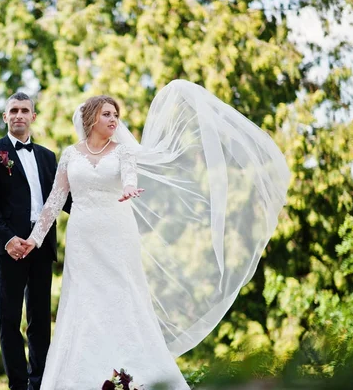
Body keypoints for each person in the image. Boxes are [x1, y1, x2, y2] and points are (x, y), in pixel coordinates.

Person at [20, 80, 290, 389]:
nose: (113, 121)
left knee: (124, 298)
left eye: (116, 116)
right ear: (92, 117)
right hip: (83, 238)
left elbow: (129, 179)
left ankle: (133, 376)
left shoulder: (123, 153)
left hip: (117, 233)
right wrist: (34, 238)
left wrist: (130, 188)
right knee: (82, 301)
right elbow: (55, 200)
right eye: (107, 114)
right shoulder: (70, 155)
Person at [0, 92, 71, 390]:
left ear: (34, 116)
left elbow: (61, 200)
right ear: (5, 117)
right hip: (11, 249)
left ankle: (40, 383)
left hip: (42, 246)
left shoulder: (47, 156)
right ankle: (18, 385)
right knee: (9, 321)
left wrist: (103, 204)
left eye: (24, 110)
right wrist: (7, 240)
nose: (19, 115)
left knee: (40, 320)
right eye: (13, 110)